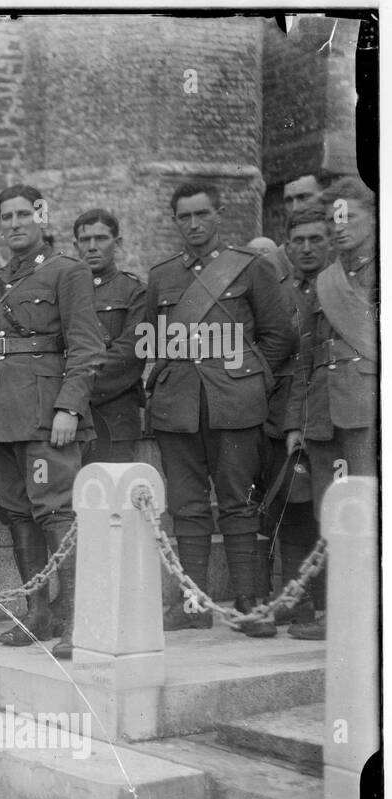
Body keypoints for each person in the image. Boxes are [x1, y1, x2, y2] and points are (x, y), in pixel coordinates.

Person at [144, 181, 296, 638]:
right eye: (184, 217)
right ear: (175, 221)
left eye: (202, 214)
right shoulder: (162, 275)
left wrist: (249, 378)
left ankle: (248, 600)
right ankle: (194, 603)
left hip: (234, 405)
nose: (193, 224)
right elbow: (155, 337)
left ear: (219, 215)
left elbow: (278, 336)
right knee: (187, 507)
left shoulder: (250, 268)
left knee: (238, 503)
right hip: (178, 405)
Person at [0, 185, 106, 659]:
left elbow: (86, 346)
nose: (16, 223)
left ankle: (77, 621)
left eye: (25, 214)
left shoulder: (69, 272)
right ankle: (37, 614)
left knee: (57, 512)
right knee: (18, 514)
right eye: (8, 216)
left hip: (46, 415)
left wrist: (70, 407)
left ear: (42, 218)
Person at [285, 177, 377, 641]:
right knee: (331, 513)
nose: (338, 229)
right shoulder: (325, 281)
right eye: (332, 220)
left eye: (348, 217)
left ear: (374, 217)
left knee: (371, 510)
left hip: (369, 410)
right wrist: (296, 422)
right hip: (324, 414)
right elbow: (306, 358)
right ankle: (343, 611)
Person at [260, 206, 330, 632]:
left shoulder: (342, 288)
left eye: (315, 239)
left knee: (331, 510)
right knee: (292, 506)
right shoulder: (280, 289)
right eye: (298, 241)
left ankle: (330, 601)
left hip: (330, 412)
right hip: (286, 411)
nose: (306, 248)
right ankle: (295, 598)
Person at [72, 208, 146, 464]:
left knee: (113, 495)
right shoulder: (63, 294)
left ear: (118, 243)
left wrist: (73, 390)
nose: (92, 247)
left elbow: (130, 353)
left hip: (115, 418)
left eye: (101, 238)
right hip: (68, 420)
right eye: (84, 240)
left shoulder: (134, 292)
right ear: (75, 246)